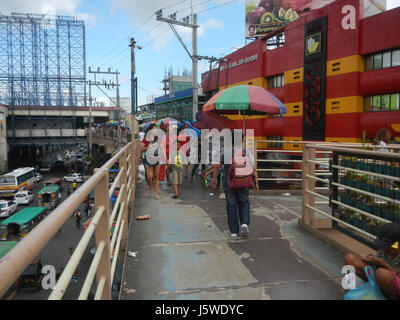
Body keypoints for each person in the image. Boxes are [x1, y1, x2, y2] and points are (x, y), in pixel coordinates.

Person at [211, 134, 258, 238]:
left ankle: (233, 231)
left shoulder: (225, 151)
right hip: (244, 182)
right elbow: (253, 168)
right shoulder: (246, 152)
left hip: (229, 183)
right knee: (244, 202)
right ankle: (244, 224)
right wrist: (256, 182)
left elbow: (217, 166)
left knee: (231, 205)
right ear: (242, 140)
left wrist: (214, 178)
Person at [344, 223, 400, 300]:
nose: (384, 248)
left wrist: (382, 264)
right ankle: (375, 290)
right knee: (349, 258)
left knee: (382, 274)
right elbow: (376, 263)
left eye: (387, 246)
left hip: (394, 286)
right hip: (379, 280)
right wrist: (371, 259)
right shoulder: (384, 250)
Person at [141, 124, 162, 199]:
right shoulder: (145, 139)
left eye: (156, 129)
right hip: (148, 159)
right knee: (150, 177)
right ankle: (149, 188)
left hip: (157, 158)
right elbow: (141, 149)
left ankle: (156, 194)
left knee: (156, 177)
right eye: (154, 129)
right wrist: (148, 147)